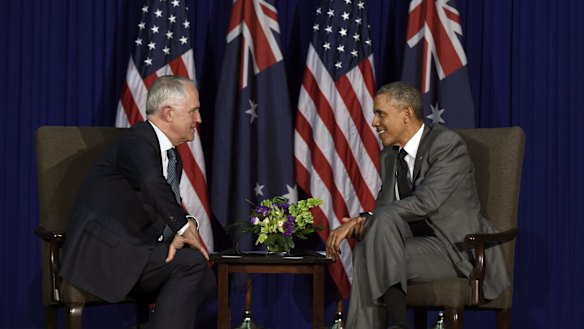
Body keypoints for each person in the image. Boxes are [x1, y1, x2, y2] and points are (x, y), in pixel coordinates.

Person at [325, 81, 509, 329]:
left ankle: (399, 324)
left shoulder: (447, 145)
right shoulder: (390, 156)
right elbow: (385, 208)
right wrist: (363, 221)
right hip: (417, 247)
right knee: (367, 249)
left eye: (381, 114)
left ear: (406, 114)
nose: (374, 122)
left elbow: (427, 201)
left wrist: (366, 220)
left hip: (456, 249)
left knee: (373, 242)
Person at [60, 75, 215, 329]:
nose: (198, 119)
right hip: (106, 253)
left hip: (140, 249)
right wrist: (183, 227)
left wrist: (182, 226)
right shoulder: (137, 142)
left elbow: (162, 202)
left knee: (207, 281)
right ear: (168, 113)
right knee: (192, 264)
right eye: (193, 111)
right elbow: (151, 184)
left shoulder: (172, 157)